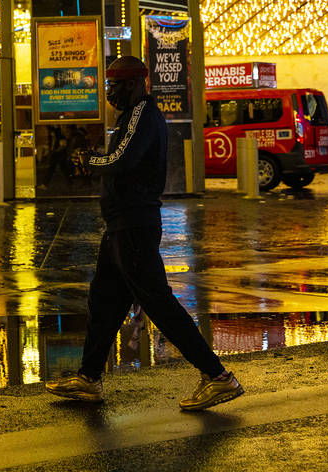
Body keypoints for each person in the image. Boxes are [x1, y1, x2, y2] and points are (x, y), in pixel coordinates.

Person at [46, 55, 243, 412]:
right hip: (120, 226)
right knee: (104, 302)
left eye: (115, 85)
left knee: (159, 304)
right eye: (109, 85)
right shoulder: (131, 115)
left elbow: (122, 159)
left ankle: (218, 377)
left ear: (135, 83)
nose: (111, 92)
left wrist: (88, 160)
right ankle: (88, 378)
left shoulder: (142, 115)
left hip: (133, 226)